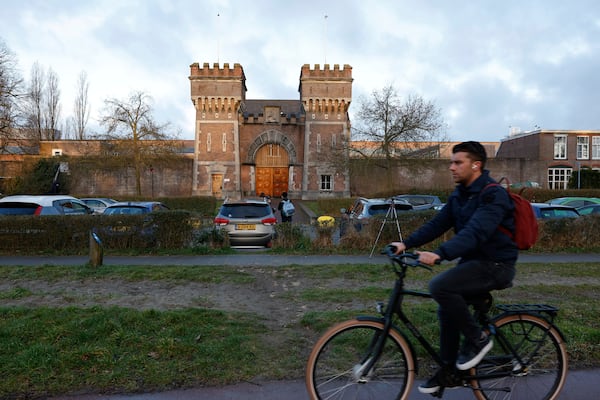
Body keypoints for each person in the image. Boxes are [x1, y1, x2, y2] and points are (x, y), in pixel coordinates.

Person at [390, 141, 518, 394]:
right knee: (446, 309)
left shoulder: (493, 194)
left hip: (496, 264)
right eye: (452, 162)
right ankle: (448, 370)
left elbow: (476, 232)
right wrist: (406, 244)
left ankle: (479, 340)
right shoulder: (460, 195)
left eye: (457, 162)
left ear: (476, 165)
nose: (451, 167)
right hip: (474, 263)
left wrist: (440, 254)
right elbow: (438, 223)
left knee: (440, 286)